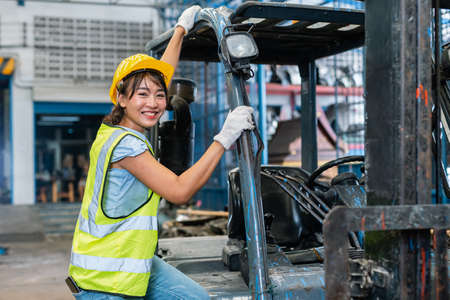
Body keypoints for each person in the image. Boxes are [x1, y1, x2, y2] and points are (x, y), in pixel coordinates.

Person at [67, 5, 254, 300]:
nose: (153, 103)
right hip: (105, 280)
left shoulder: (112, 130)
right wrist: (224, 138)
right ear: (121, 98)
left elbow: (159, 77)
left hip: (131, 259)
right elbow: (179, 192)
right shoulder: (126, 145)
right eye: (142, 94)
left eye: (159, 95)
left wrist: (181, 29)